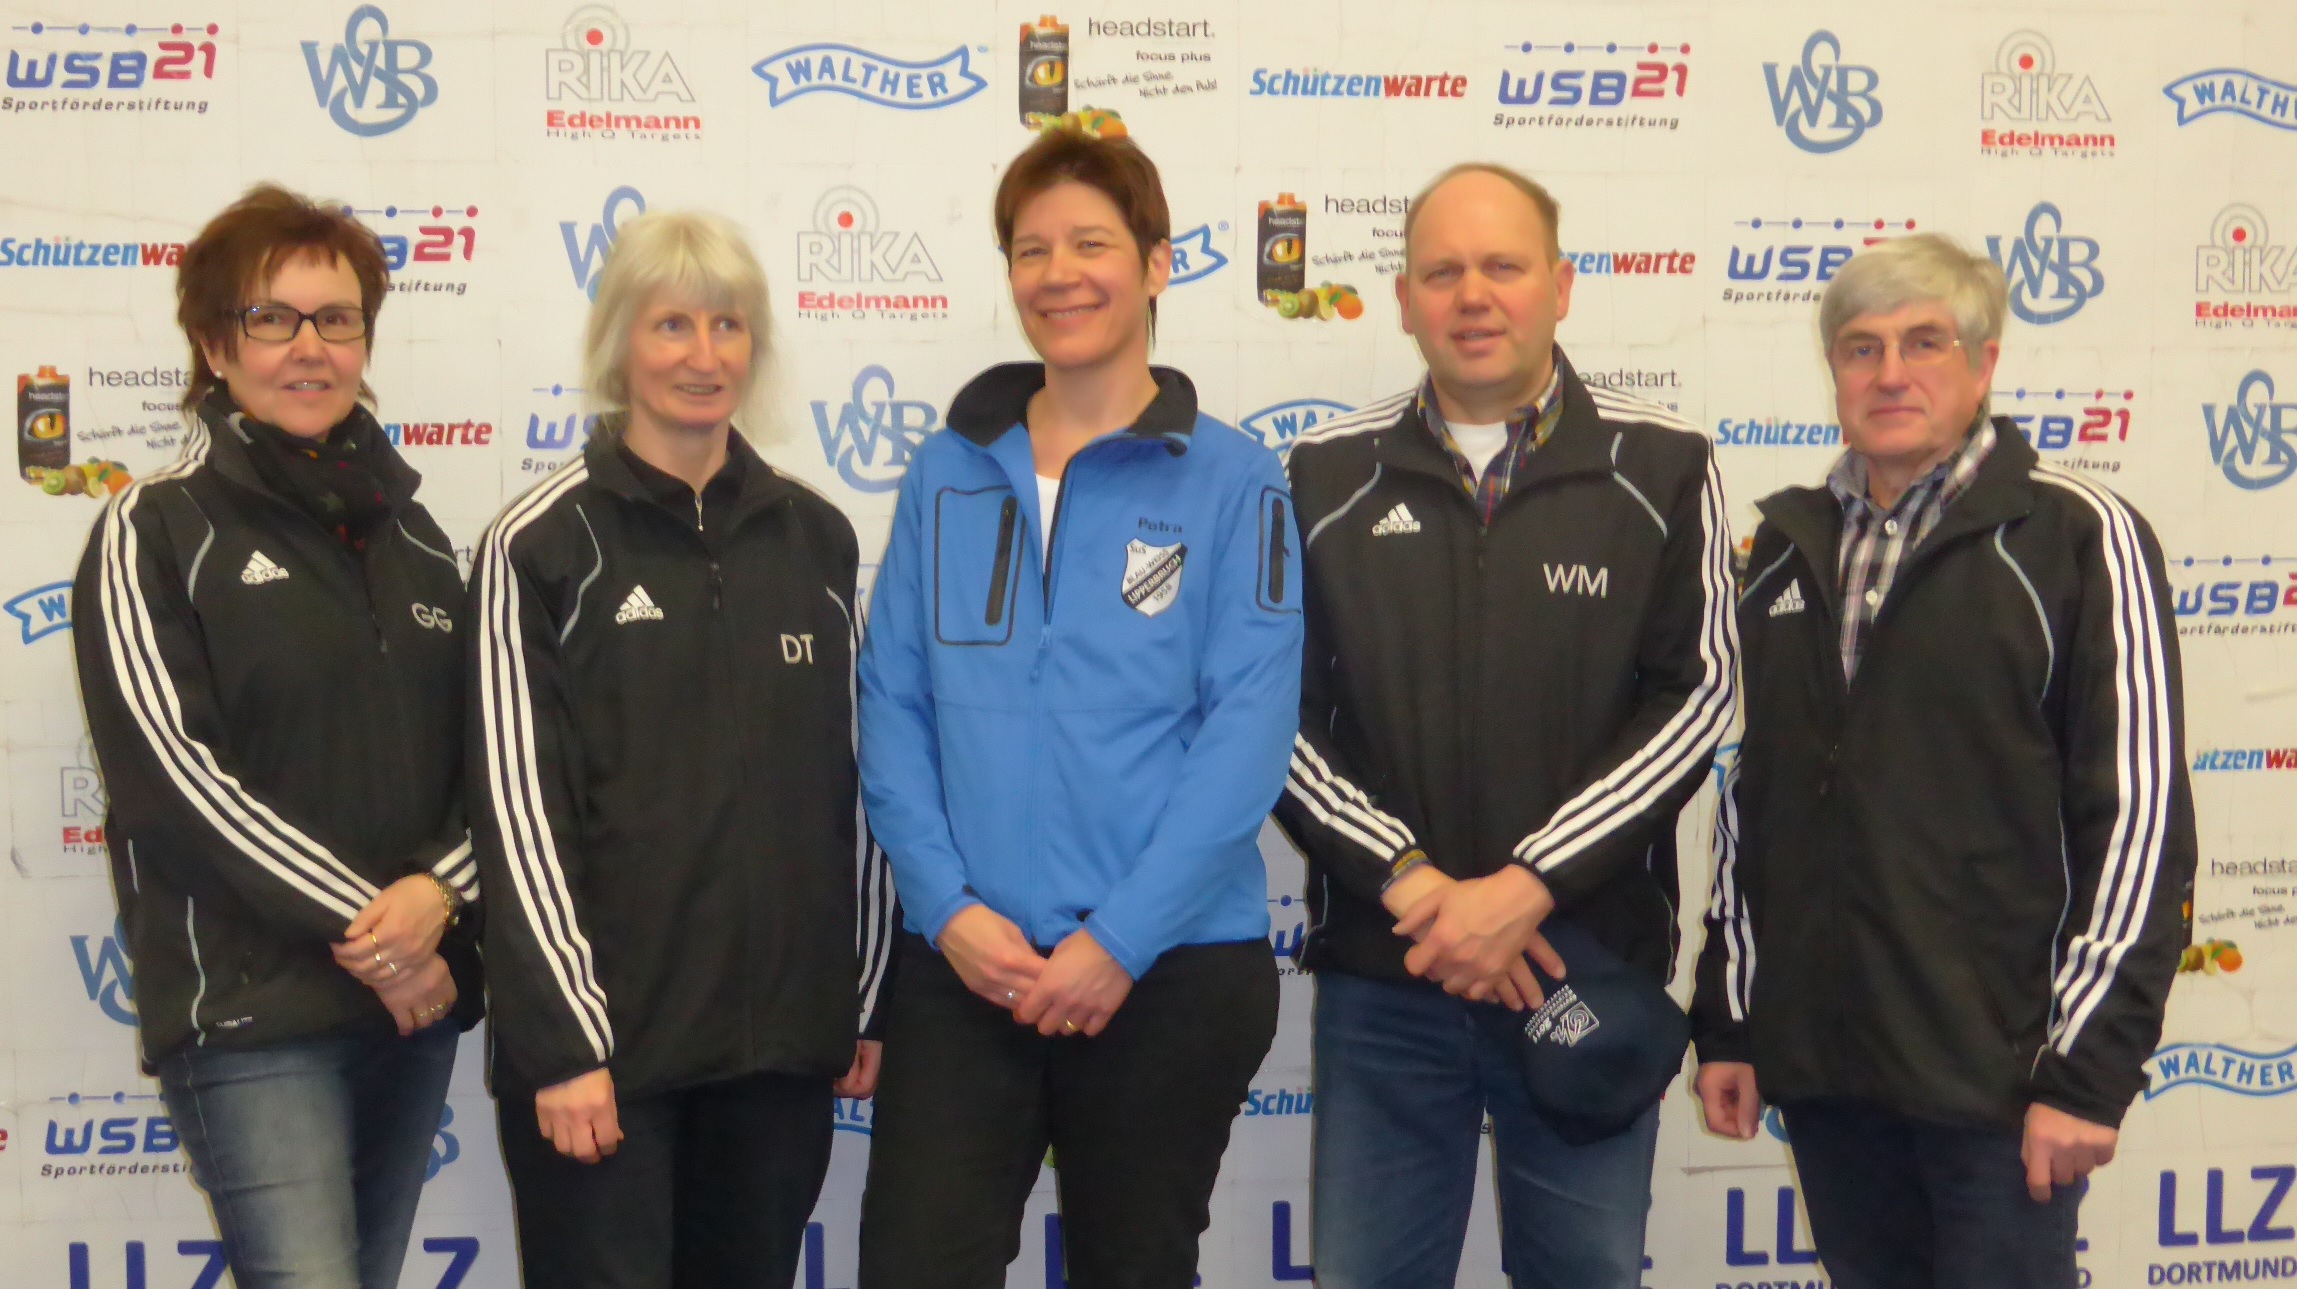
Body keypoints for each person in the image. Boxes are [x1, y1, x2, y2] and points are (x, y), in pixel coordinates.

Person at [1690, 233, 2196, 1289]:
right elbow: (1752, 801)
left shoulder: (2076, 537)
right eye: (1860, 348)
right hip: (1831, 1078)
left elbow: (2139, 825)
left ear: (1982, 362)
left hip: (2000, 1087)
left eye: (1923, 342)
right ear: (1833, 370)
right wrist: (1731, 1018)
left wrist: (2085, 1074)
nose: (1889, 372)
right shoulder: (1783, 550)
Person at [855, 123, 1302, 1289]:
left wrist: (1117, 940)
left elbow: (1246, 734)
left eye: (1090, 244)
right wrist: (947, 911)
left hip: (1167, 968)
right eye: (1031, 249)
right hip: (969, 964)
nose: (1058, 274)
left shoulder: (1234, 477)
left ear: (1155, 264)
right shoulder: (947, 469)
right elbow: (892, 703)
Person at [1274, 163, 1736, 1288]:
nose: (1471, 295)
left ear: (1560, 286)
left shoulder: (1663, 465)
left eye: (1502, 267)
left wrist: (1526, 885)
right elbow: (1275, 718)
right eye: (1441, 272)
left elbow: (1696, 697)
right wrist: (1416, 887)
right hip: (1390, 977)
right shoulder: (1323, 474)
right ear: (1402, 300)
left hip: (1582, 969)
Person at [467, 210, 896, 1288]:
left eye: (727, 325)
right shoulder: (539, 544)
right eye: (671, 325)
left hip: (775, 1056)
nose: (703, 355)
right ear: (620, 342)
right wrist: (564, 1043)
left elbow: (861, 784)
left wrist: (862, 996)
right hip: (608, 1060)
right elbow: (518, 812)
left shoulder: (817, 537)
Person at [71, 183, 481, 1289]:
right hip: (256, 1012)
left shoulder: (420, 541)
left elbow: (493, 766)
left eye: (335, 318)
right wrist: (381, 933)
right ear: (215, 345)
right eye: (272, 318)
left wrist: (437, 899)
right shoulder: (154, 527)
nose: (309, 347)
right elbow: (175, 781)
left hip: (411, 1007)